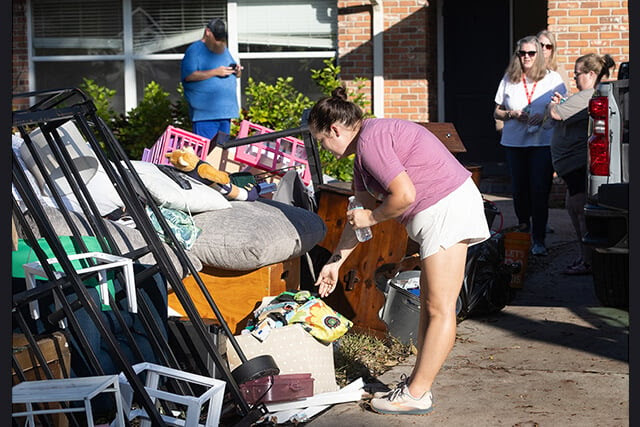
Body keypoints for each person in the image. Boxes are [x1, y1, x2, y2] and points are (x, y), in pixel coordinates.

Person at [308, 87, 490, 415]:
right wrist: (335, 263)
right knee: (432, 308)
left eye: (321, 140)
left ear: (335, 129)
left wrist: (373, 216)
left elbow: (403, 196)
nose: (323, 148)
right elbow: (357, 217)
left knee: (439, 309)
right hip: (442, 211)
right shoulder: (364, 156)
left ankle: (417, 394)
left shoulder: (371, 140)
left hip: (447, 209)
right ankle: (417, 387)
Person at [493, 35, 567, 256]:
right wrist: (511, 114)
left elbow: (564, 107)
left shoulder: (552, 79)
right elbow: (497, 111)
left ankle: (539, 239)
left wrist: (548, 110)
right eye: (522, 53)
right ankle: (524, 230)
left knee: (539, 189)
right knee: (519, 190)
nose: (526, 57)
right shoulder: (509, 78)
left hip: (542, 141)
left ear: (539, 55)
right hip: (515, 142)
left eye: (531, 53)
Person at [547, 53, 615, 275]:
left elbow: (556, 114)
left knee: (580, 211)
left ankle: (587, 261)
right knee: (572, 208)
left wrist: (553, 105)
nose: (575, 79)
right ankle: (584, 257)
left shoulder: (587, 94)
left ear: (591, 74)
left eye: (577, 74)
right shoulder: (584, 96)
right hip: (570, 167)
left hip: (576, 165)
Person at [181, 18, 242, 140]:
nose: (219, 41)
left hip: (225, 113)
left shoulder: (223, 49)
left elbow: (236, 74)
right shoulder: (194, 50)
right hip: (205, 116)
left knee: (220, 154)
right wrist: (215, 72)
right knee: (208, 154)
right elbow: (188, 76)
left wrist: (237, 71)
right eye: (217, 37)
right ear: (208, 32)